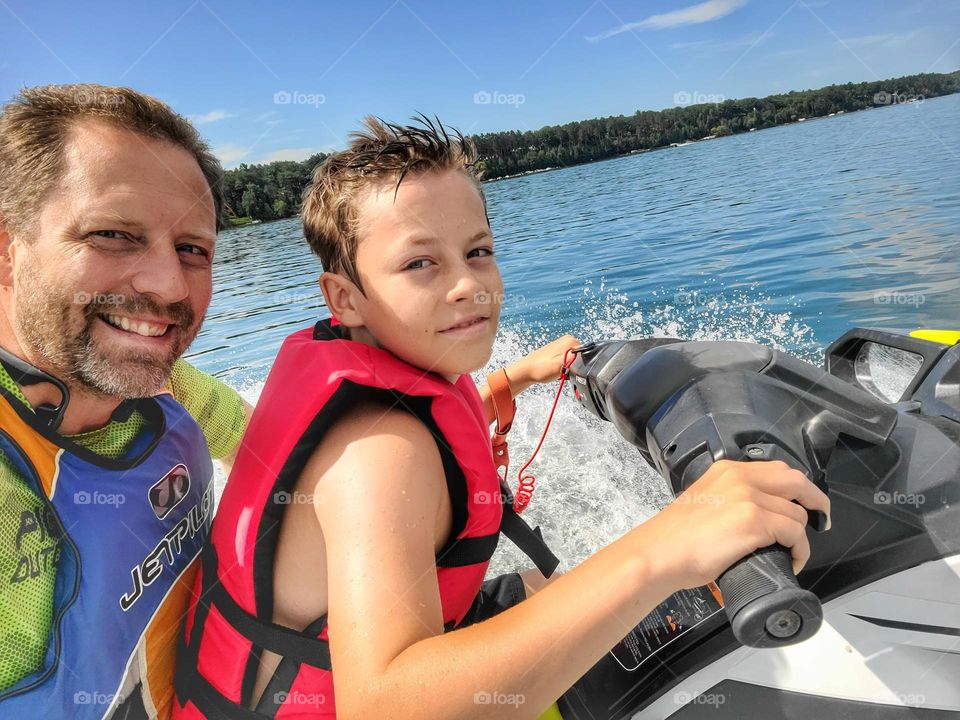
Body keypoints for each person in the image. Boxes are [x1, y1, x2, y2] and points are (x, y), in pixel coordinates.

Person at [175, 117, 830, 719]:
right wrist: (664, 545)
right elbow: (384, 705)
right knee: (628, 592)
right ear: (345, 297)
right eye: (420, 263)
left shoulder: (392, 384)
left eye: (479, 251)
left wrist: (511, 379)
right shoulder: (380, 454)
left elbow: (431, 436)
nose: (469, 284)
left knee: (558, 591)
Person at [0, 84, 251, 719]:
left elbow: (286, 451)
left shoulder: (171, 390)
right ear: (7, 250)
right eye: (113, 234)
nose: (170, 285)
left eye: (193, 249)